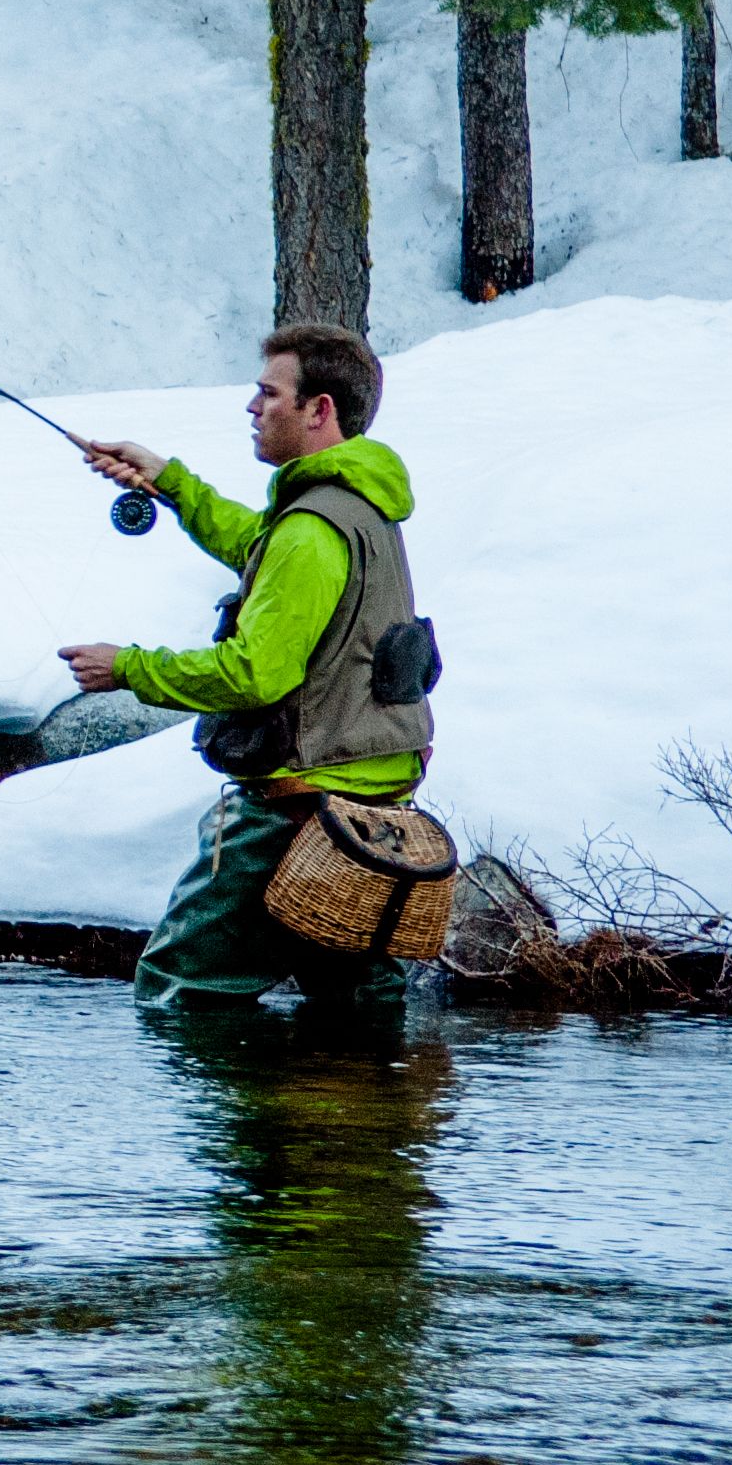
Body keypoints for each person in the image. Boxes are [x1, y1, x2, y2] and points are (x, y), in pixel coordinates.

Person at [57, 324, 432, 1018]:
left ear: (319, 410)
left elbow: (256, 673)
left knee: (179, 994)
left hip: (293, 816)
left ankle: (245, 1129)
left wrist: (128, 668)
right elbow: (257, 546)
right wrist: (168, 483)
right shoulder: (358, 508)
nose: (252, 407)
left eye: (268, 393)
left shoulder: (311, 531)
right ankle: (355, 1126)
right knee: (356, 1014)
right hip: (372, 820)